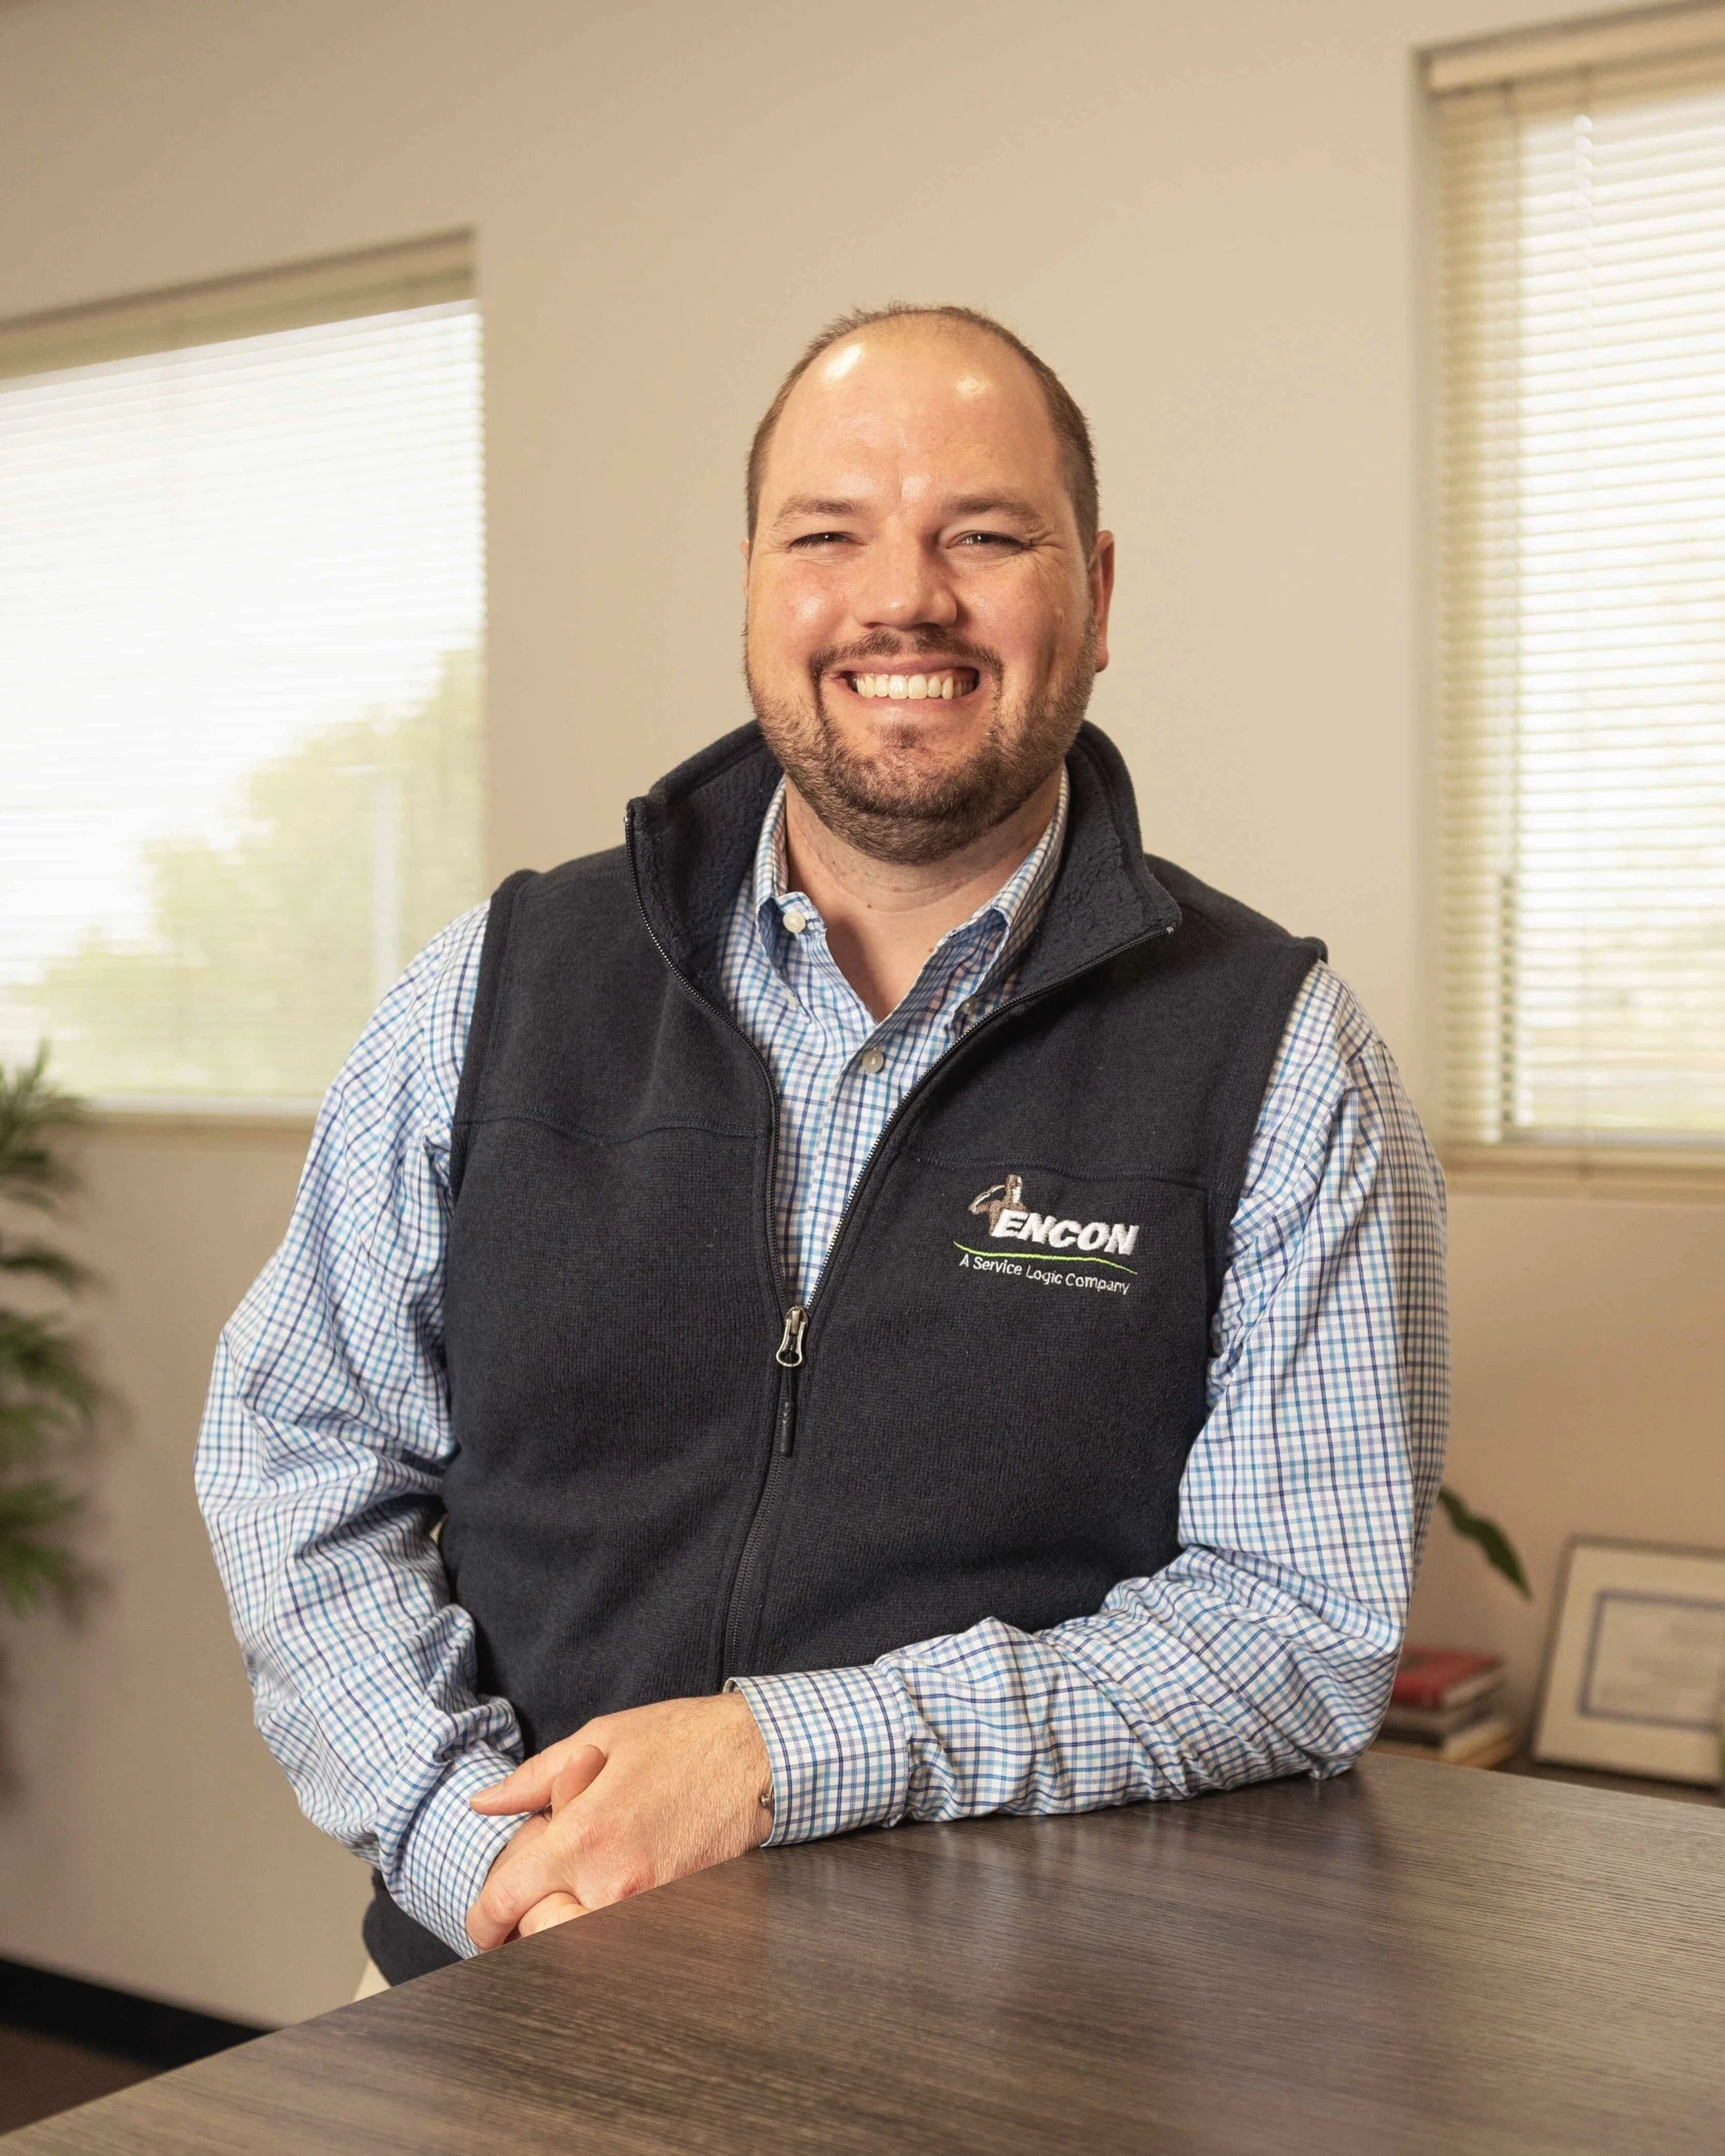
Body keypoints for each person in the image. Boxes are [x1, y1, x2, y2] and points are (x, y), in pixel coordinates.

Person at [196, 304, 1446, 1986]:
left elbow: (1293, 1627)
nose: (900, 597)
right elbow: (298, 1453)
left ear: (1094, 588)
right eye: (828, 533)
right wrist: (476, 1854)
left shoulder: (1280, 1057)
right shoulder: (490, 989)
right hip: (484, 1979)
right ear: (752, 584)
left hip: (1011, 2042)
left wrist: (781, 1755)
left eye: (982, 535)